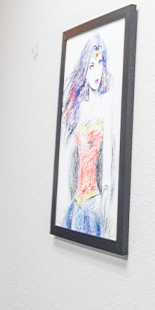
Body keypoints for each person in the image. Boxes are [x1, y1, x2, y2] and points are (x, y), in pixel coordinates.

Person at [61, 34, 116, 236]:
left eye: (100, 63)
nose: (96, 72)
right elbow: (71, 160)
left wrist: (107, 193)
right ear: (84, 70)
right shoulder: (80, 107)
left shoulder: (106, 103)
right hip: (77, 201)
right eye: (91, 65)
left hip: (95, 197)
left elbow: (108, 150)